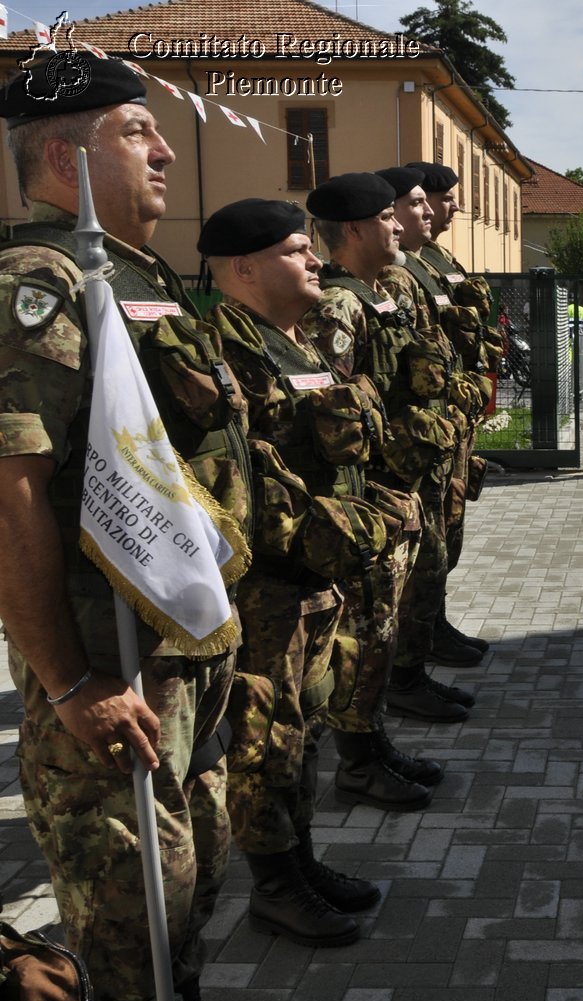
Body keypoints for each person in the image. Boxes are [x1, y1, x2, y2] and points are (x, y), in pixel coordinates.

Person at [0, 58, 302, 1001]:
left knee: (184, 880)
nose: (168, 150)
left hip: (181, 660)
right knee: (126, 912)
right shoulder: (38, 282)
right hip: (111, 665)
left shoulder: (136, 278)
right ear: (62, 155)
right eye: (137, 131)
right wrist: (67, 676)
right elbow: (11, 492)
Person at [202, 198, 388, 949]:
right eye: (294, 251)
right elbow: (240, 476)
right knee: (263, 737)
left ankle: (300, 860)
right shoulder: (222, 348)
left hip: (316, 571)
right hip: (267, 582)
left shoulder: (298, 341)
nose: (314, 259)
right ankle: (274, 885)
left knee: (303, 725)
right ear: (244, 268)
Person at [302, 172, 460, 809]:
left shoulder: (373, 295)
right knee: (361, 632)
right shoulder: (339, 306)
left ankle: (369, 746)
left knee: (379, 629)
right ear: (360, 229)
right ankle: (359, 760)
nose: (401, 223)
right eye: (389, 218)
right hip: (364, 497)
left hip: (387, 491)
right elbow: (328, 415)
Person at [404, 160, 499, 667]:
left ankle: (434, 625)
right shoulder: (402, 269)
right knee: (430, 539)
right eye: (441, 200)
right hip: (427, 421)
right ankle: (416, 647)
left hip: (453, 413)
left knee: (449, 527)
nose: (451, 207)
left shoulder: (437, 258)